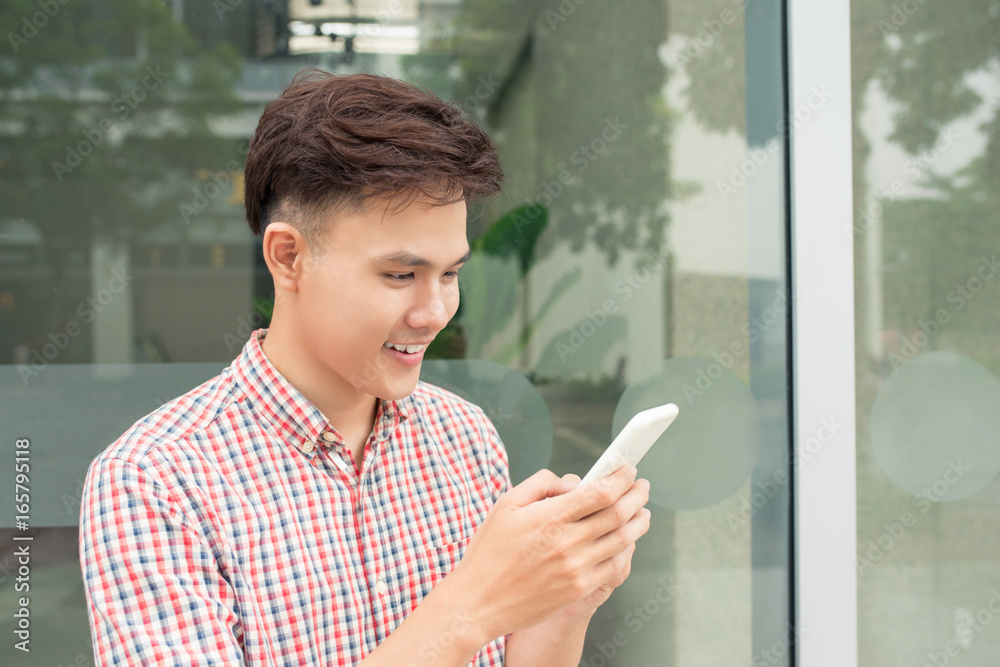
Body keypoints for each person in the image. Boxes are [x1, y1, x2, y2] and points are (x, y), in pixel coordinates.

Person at [79, 70, 651, 666]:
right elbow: (470, 616)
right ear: (289, 256)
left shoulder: (465, 437)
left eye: (450, 273)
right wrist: (473, 605)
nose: (435, 313)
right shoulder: (155, 483)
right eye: (401, 275)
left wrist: (564, 599)